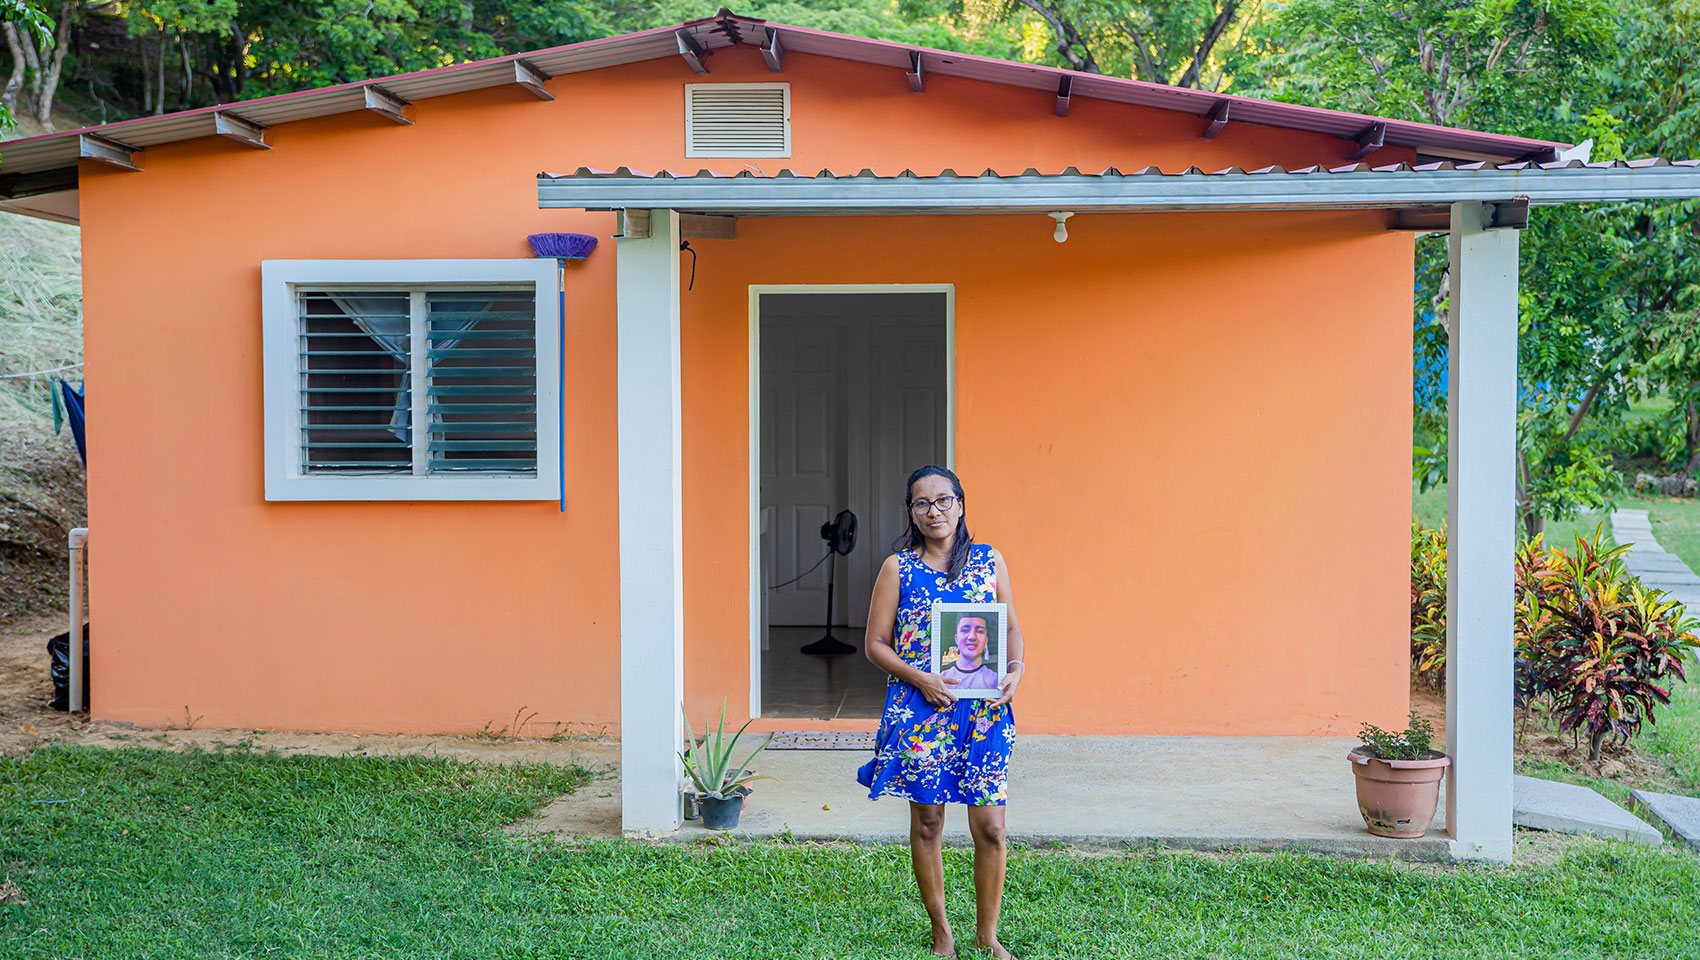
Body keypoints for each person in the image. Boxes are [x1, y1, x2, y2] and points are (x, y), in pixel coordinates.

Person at [857, 465, 1026, 960]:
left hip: (983, 715)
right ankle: (942, 934)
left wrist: (1015, 670)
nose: (934, 512)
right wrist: (922, 678)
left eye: (943, 500)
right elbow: (874, 644)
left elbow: (1011, 629)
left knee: (990, 828)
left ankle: (987, 935)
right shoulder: (897, 568)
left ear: (961, 504)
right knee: (929, 822)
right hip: (921, 713)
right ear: (910, 512)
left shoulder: (990, 561)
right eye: (922, 503)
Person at [938, 615, 999, 692]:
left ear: (986, 640)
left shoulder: (994, 679)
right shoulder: (942, 675)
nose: (972, 637)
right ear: (956, 639)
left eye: (980, 631)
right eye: (965, 630)